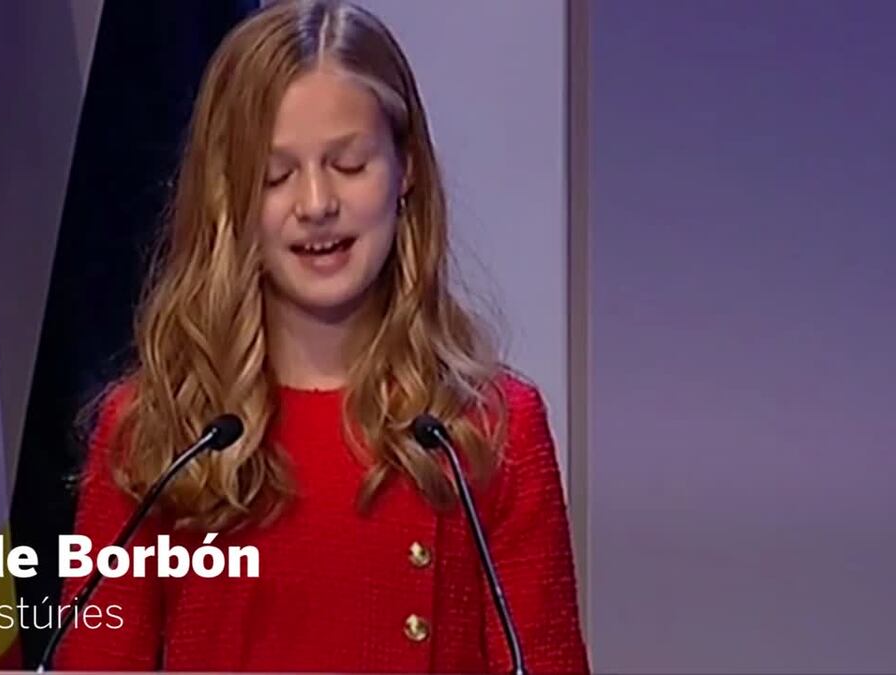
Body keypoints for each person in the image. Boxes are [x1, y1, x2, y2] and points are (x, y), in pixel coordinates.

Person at [53, 0, 588, 671]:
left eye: (349, 164)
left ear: (407, 168)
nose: (315, 204)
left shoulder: (485, 429)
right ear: (229, 196)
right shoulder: (156, 433)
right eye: (275, 175)